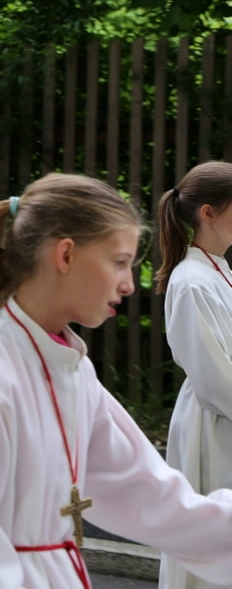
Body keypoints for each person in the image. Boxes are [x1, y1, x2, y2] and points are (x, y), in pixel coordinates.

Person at [0, 172, 232, 588]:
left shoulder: (67, 363)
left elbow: (147, 493)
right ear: (66, 255)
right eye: (118, 262)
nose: (128, 285)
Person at [155, 161, 232, 589]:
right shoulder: (192, 281)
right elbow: (215, 380)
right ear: (208, 213)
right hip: (215, 424)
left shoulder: (217, 270)